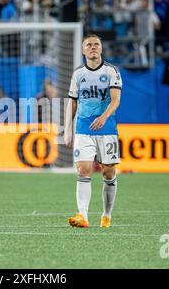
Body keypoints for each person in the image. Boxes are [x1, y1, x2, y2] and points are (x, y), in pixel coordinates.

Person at [64, 34, 123, 228]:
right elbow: (72, 102)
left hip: (107, 130)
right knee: (83, 170)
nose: (93, 47)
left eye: (96, 44)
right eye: (88, 45)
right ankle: (83, 215)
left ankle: (106, 215)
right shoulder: (78, 74)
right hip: (83, 129)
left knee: (108, 172)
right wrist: (68, 129)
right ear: (83, 50)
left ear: (101, 48)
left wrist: (103, 117)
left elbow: (115, 99)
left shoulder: (111, 71)